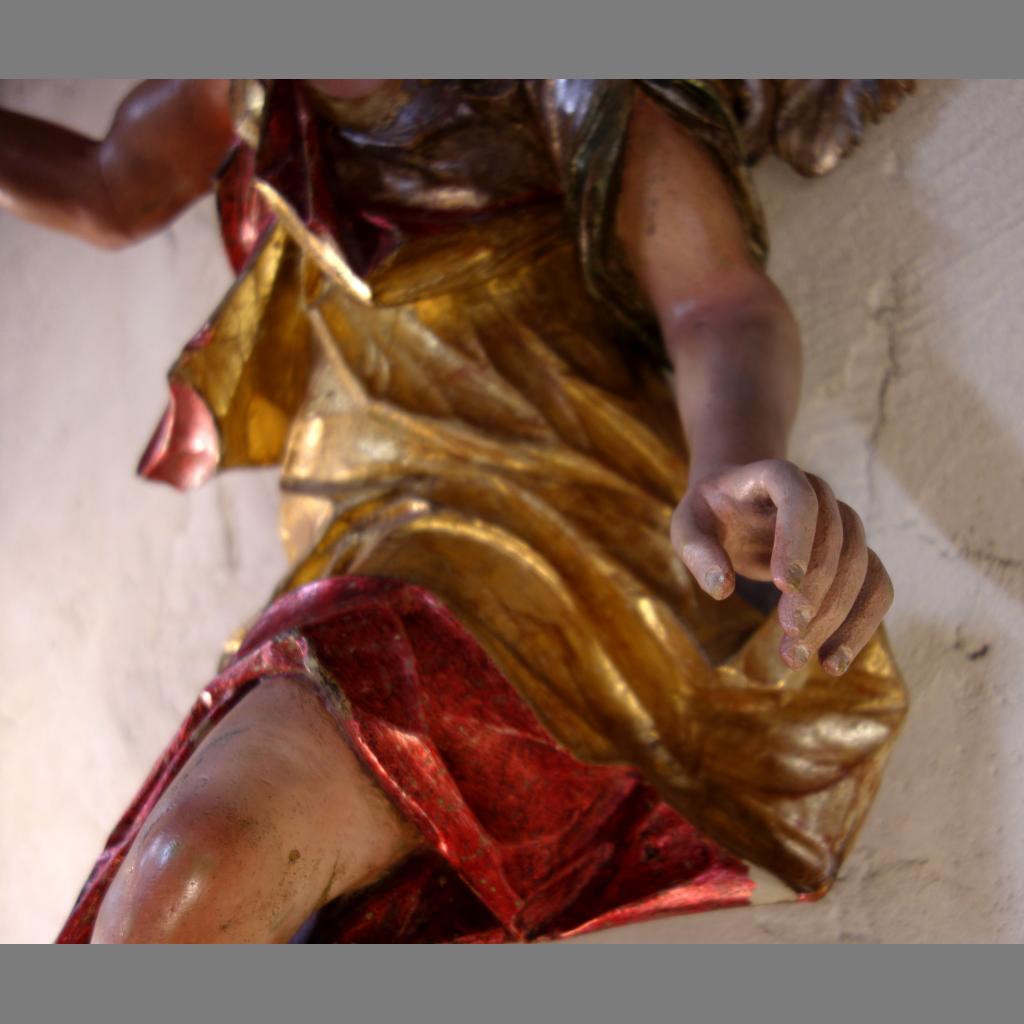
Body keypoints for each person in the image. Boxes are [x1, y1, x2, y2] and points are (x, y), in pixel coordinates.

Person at [0, 79, 910, 943]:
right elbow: (104, 188)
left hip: (535, 537)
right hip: (359, 549)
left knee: (197, 874)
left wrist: (731, 468)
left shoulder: (560, 75)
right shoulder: (247, 89)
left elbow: (718, 305)